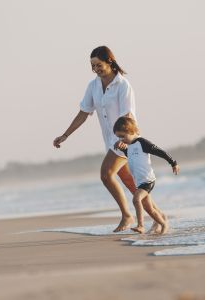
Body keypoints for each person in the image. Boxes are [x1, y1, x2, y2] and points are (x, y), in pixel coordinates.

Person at [53, 46, 164, 232]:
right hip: (110, 142)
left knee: (106, 174)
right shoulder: (93, 86)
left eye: (99, 65)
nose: (95, 69)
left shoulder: (123, 85)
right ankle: (159, 217)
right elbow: (83, 112)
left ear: (109, 62)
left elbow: (127, 115)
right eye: (93, 66)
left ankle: (127, 216)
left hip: (126, 140)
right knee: (132, 183)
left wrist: (124, 140)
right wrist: (65, 135)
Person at [113, 116, 180, 234]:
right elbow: (133, 157)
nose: (121, 139)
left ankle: (141, 225)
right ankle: (163, 224)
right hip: (140, 182)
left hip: (147, 180)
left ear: (131, 131)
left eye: (123, 136)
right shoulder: (130, 146)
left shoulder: (142, 142)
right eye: (119, 137)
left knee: (136, 199)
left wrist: (173, 162)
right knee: (149, 209)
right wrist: (123, 150)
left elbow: (159, 151)